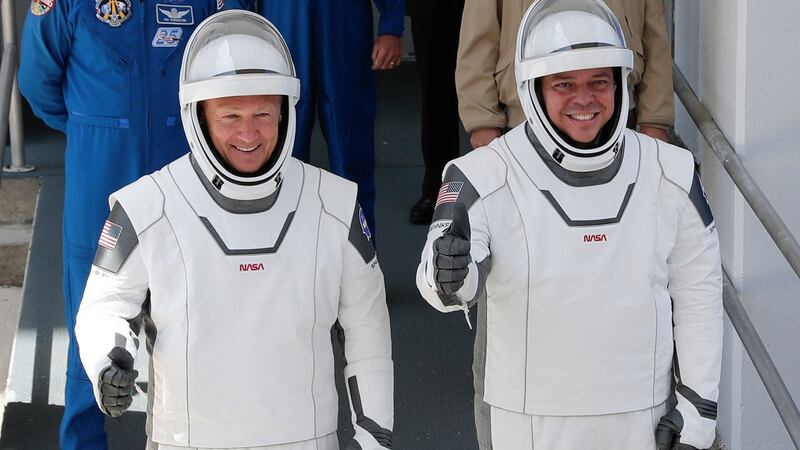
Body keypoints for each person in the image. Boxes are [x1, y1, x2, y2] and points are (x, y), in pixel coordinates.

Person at [74, 11, 393, 450]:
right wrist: (109, 358)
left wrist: (375, 430)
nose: (249, 132)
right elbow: (103, 307)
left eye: (263, 112)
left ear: (285, 110)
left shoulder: (334, 202)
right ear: (198, 115)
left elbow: (368, 321)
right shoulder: (145, 206)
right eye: (229, 116)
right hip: (186, 439)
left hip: (306, 438)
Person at [416, 0, 722, 448]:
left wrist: (698, 412)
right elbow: (445, 284)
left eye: (599, 81)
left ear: (619, 81)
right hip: (528, 420)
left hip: (643, 414)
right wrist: (447, 272)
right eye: (564, 84)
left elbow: (699, 291)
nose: (584, 98)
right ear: (536, 88)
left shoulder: (671, 172)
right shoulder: (480, 176)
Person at [18, 0, 247, 447]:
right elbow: (37, 80)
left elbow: (232, 63)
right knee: (89, 327)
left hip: (184, 178)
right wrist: (96, 127)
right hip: (99, 181)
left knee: (194, 327)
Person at [256, 0, 405, 234]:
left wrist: (391, 27)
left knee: (351, 153)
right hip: (283, 25)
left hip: (343, 25)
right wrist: (237, 27)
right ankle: (283, 258)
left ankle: (360, 259)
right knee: (281, 160)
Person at [456, 0, 674, 150]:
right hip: (525, 115)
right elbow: (479, 37)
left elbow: (654, 36)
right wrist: (482, 120)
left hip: (615, 109)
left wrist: (655, 120)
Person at [405, 0, 465, 225]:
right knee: (435, 97)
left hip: (495, 6)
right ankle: (439, 190)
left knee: (498, 89)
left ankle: (503, 185)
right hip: (432, 7)